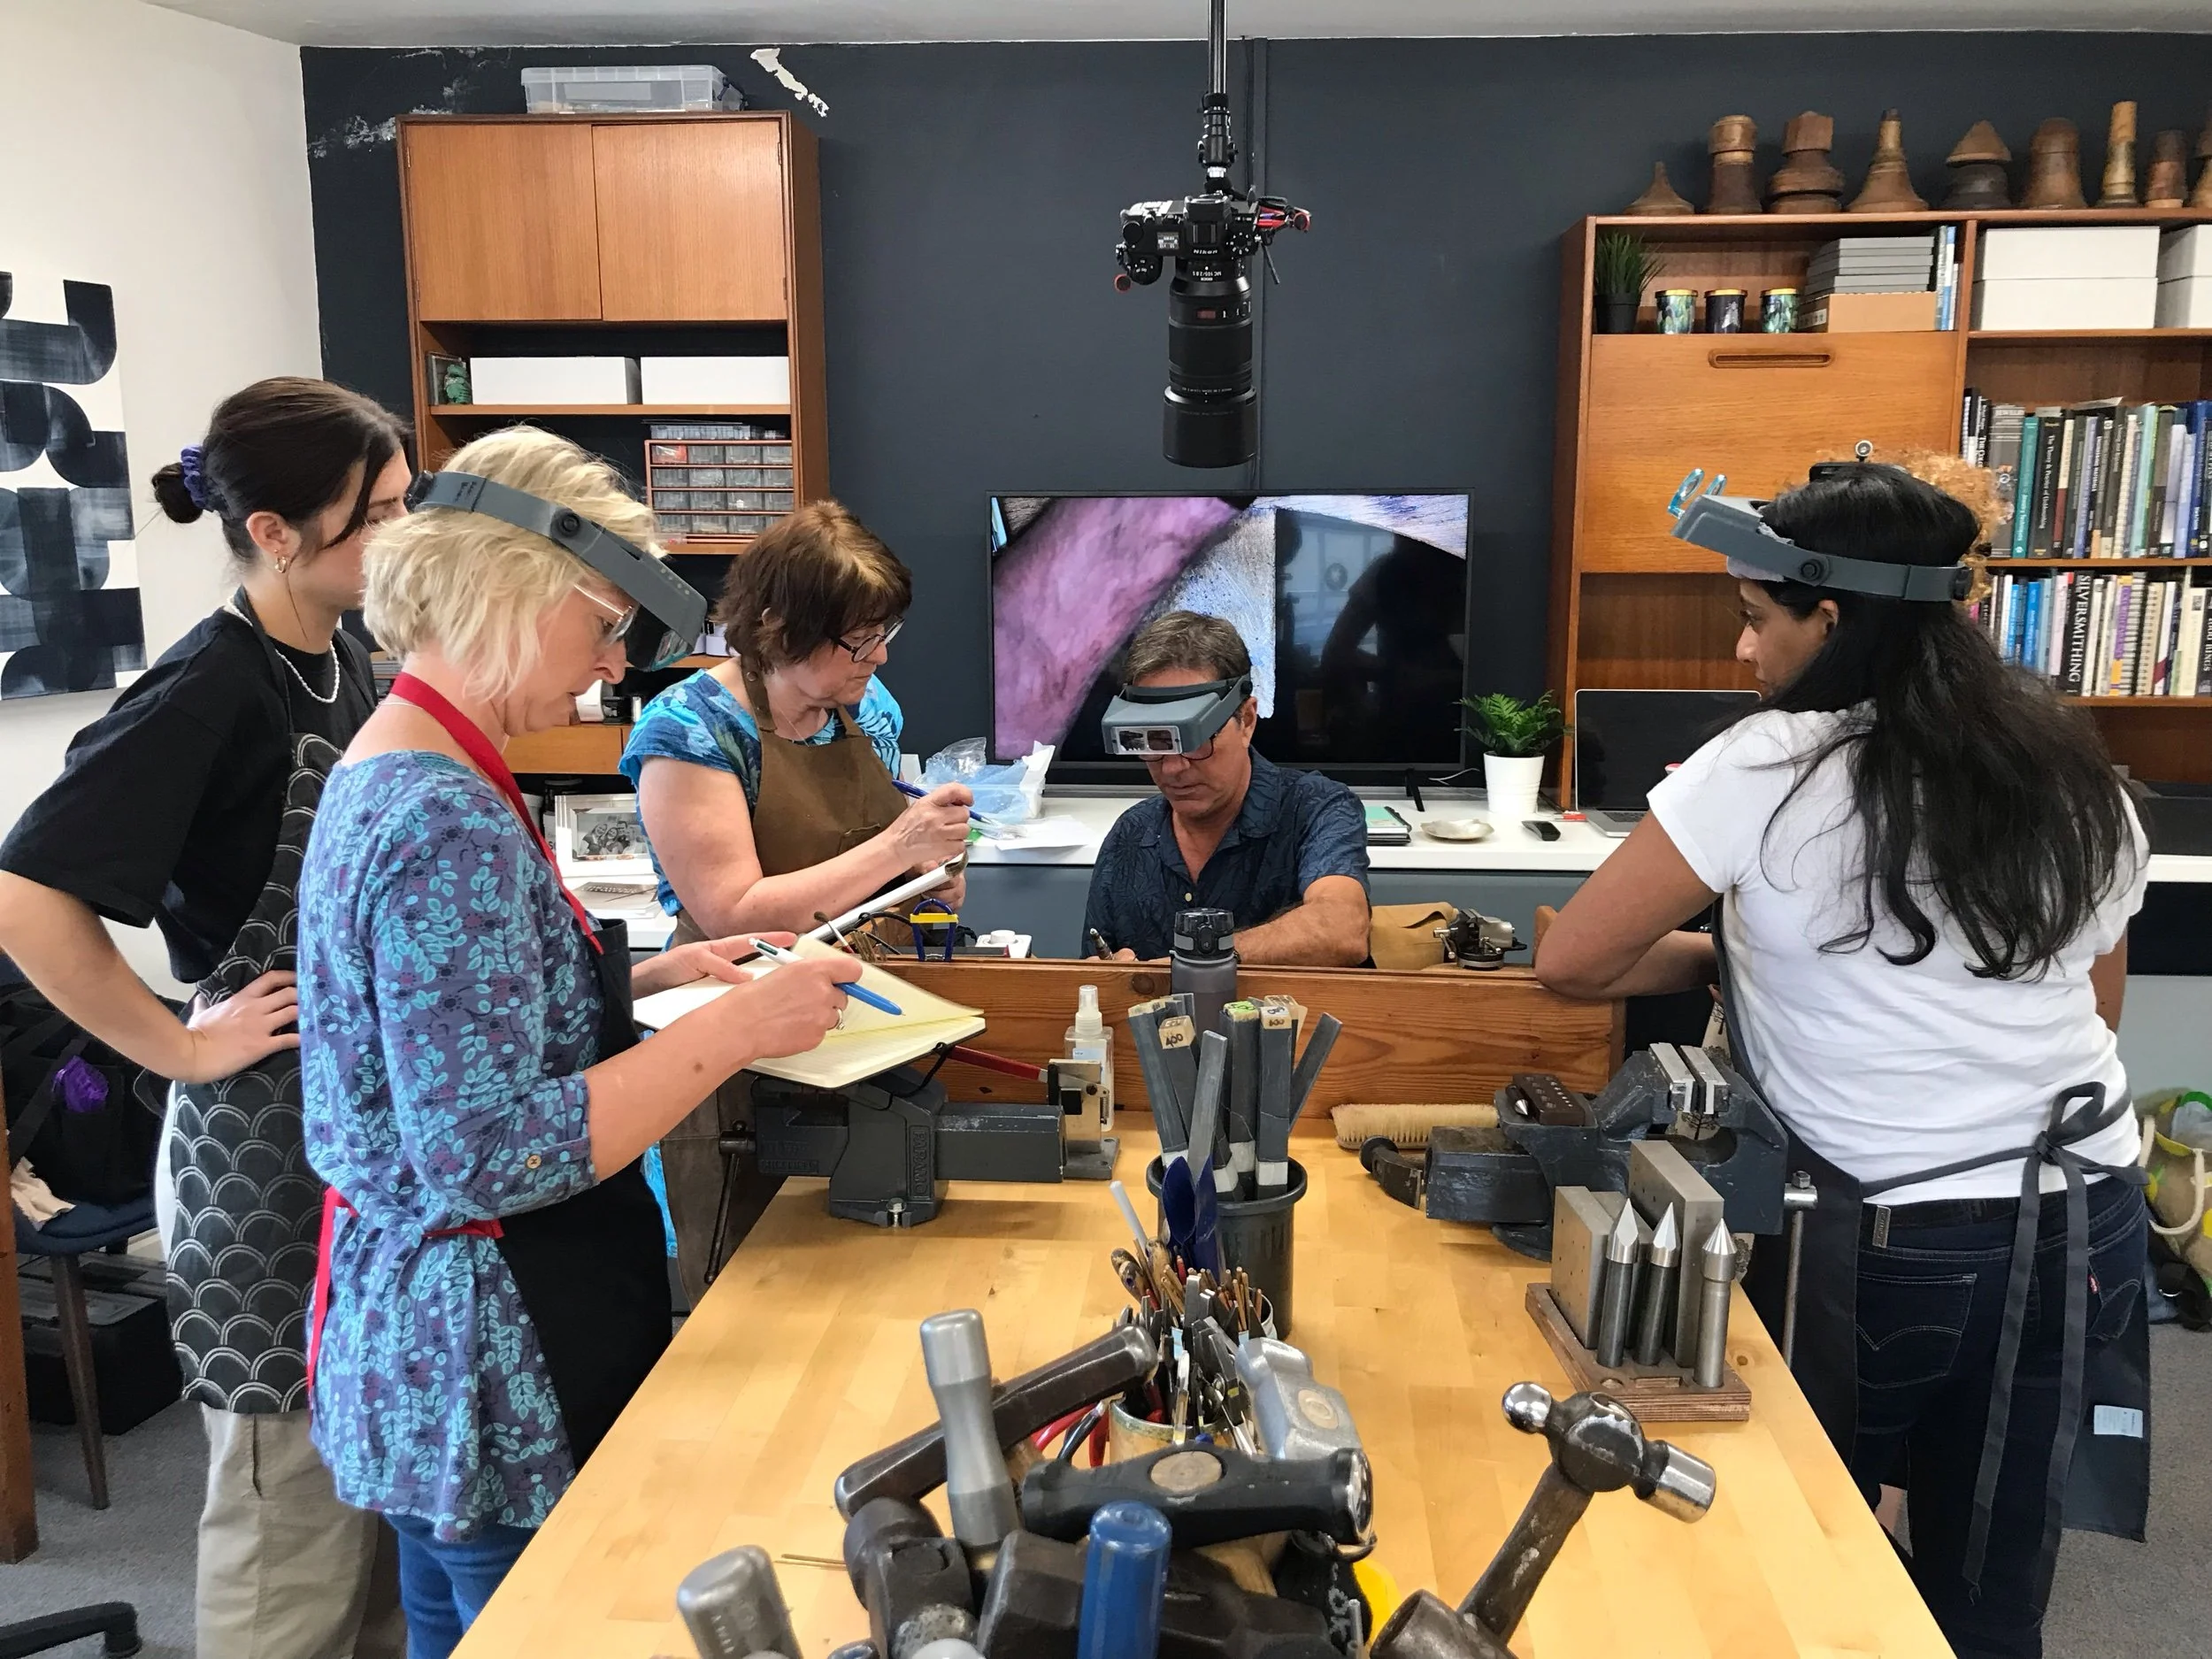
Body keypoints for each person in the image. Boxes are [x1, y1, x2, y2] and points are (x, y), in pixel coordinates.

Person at [1536, 464, 2149, 1659]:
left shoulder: (1767, 764)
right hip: (2082, 1215)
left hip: (1884, 1239)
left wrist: (1723, 954)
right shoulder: (2071, 766)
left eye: (1755, 617)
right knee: (1992, 1591)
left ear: (1831, 618)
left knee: (1802, 1553)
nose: (1741, 647)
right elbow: (2095, 1003)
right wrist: (1760, 956)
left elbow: (1576, 959)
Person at [296, 426, 857, 1659]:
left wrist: (652, 978)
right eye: (601, 625)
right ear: (506, 590)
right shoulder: (444, 817)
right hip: (492, 1356)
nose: (613, 663)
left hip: (420, 1336)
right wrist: (741, 1027)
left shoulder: (390, 761)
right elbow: (482, 1152)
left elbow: (440, 1029)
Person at [0, 377, 411, 1658]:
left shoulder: (345, 660)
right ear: (275, 531)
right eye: (376, 516)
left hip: (345, 1127)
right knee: (284, 1515)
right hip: (257, 1151)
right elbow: (26, 895)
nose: (401, 536)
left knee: (365, 1486)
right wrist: (180, 1045)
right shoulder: (210, 686)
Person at [620, 500, 971, 1295]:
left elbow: (876, 853)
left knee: (877, 1251)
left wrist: (929, 878)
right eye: (858, 640)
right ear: (779, 627)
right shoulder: (691, 731)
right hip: (735, 1032)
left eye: (885, 633)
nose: (880, 656)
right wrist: (897, 848)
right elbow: (735, 910)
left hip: (863, 1012)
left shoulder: (866, 707)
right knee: (756, 1274)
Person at [1085, 611, 1370, 965]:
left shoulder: (1315, 809)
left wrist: (1194, 963)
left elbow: (1343, 929)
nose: (1172, 768)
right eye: (1154, 742)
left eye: (1196, 740)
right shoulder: (1129, 836)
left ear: (1246, 720)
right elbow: (1095, 971)